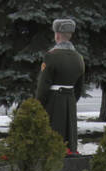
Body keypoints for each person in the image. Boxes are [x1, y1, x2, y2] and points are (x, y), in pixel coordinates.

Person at [35, 17, 84, 154]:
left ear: (56, 35)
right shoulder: (79, 58)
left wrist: (38, 105)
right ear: (70, 35)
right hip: (70, 101)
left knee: (53, 139)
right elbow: (79, 87)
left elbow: (43, 86)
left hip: (53, 103)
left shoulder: (51, 56)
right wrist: (71, 99)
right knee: (69, 139)